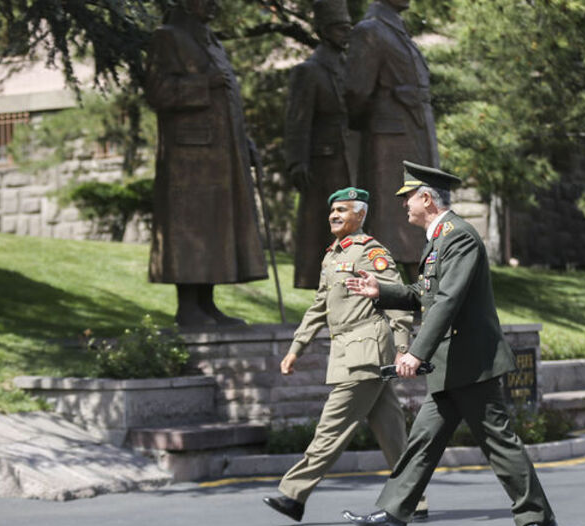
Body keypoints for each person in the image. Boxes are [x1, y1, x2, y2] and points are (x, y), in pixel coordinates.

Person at [341, 162, 560, 526]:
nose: (404, 204)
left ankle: (538, 520)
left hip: (471, 363)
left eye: (408, 197)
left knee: (499, 443)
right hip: (452, 364)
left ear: (426, 197)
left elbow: (447, 300)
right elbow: (424, 295)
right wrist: (383, 290)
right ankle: (394, 515)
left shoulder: (458, 236)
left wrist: (416, 353)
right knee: (424, 440)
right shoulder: (439, 239)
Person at [262, 187, 428, 523]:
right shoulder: (333, 255)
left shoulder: (371, 252)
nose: (334, 215)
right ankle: (415, 499)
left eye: (342, 210)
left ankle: (293, 494)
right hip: (351, 353)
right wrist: (297, 348)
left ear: (360, 215)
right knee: (392, 432)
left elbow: (395, 299)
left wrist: (401, 348)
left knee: (331, 428)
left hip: (367, 355)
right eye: (332, 210)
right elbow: (319, 306)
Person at [144, 0, 268, 326]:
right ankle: (187, 306)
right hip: (188, 158)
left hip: (220, 155)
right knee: (191, 228)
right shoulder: (167, 37)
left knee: (214, 227)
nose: (214, 4)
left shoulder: (212, 42)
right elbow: (157, 93)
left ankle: (207, 304)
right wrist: (202, 84)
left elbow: (226, 101)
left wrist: (244, 142)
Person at [345, 0, 441, 278]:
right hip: (388, 142)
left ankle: (420, 284)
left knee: (420, 206)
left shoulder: (396, 30)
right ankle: (390, 285)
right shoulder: (370, 30)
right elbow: (355, 92)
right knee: (394, 215)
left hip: (414, 135)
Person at [285, 0, 355, 289]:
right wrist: (296, 162)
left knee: (351, 230)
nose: (346, 33)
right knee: (322, 232)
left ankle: (349, 289)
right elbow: (297, 121)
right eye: (340, 28)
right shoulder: (310, 71)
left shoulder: (347, 67)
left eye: (348, 28)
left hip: (347, 161)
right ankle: (326, 293)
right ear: (325, 31)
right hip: (321, 165)